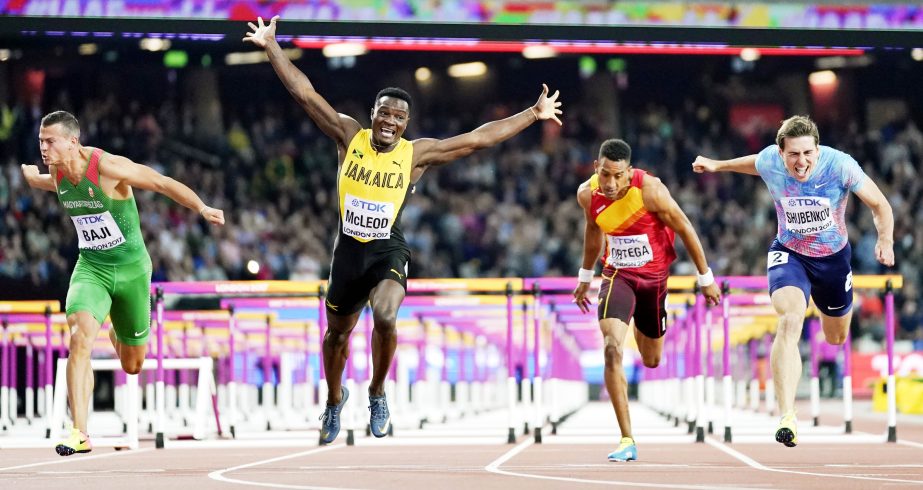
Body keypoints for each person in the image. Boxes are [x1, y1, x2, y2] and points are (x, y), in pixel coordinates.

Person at [244, 16, 563, 444]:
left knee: (386, 315)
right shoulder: (348, 134)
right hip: (348, 253)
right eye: (384, 112)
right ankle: (335, 399)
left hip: (386, 250)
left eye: (399, 116)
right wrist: (271, 46)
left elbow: (477, 139)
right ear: (372, 114)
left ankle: (377, 391)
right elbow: (304, 93)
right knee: (336, 335)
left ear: (406, 124)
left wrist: (532, 114)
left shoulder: (416, 155)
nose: (390, 121)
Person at [21, 111, 225, 456]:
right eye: (40, 141)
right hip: (91, 269)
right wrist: (31, 177)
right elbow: (48, 182)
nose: (43, 147)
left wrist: (201, 207)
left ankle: (118, 330)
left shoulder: (106, 167)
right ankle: (79, 432)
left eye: (49, 140)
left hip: (132, 272)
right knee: (78, 338)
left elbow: (159, 182)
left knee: (133, 365)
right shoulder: (57, 170)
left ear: (73, 141)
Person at [693, 115, 894, 447]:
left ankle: (824, 301)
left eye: (807, 154)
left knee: (836, 337)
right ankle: (787, 415)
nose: (801, 162)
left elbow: (880, 205)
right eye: (793, 155)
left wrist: (884, 240)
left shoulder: (841, 166)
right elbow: (753, 164)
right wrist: (717, 165)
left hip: (833, 260)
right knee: (789, 320)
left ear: (817, 149)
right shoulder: (770, 160)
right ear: (780, 152)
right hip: (790, 254)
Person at [573, 139, 720, 462]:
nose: (610, 184)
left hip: (654, 280)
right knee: (612, 349)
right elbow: (593, 230)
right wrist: (585, 277)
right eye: (605, 175)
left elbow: (684, 228)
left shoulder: (651, 190)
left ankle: (641, 320)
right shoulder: (588, 193)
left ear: (629, 172)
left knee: (652, 359)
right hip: (617, 276)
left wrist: (705, 278)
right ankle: (627, 438)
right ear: (597, 168)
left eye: (618, 176)